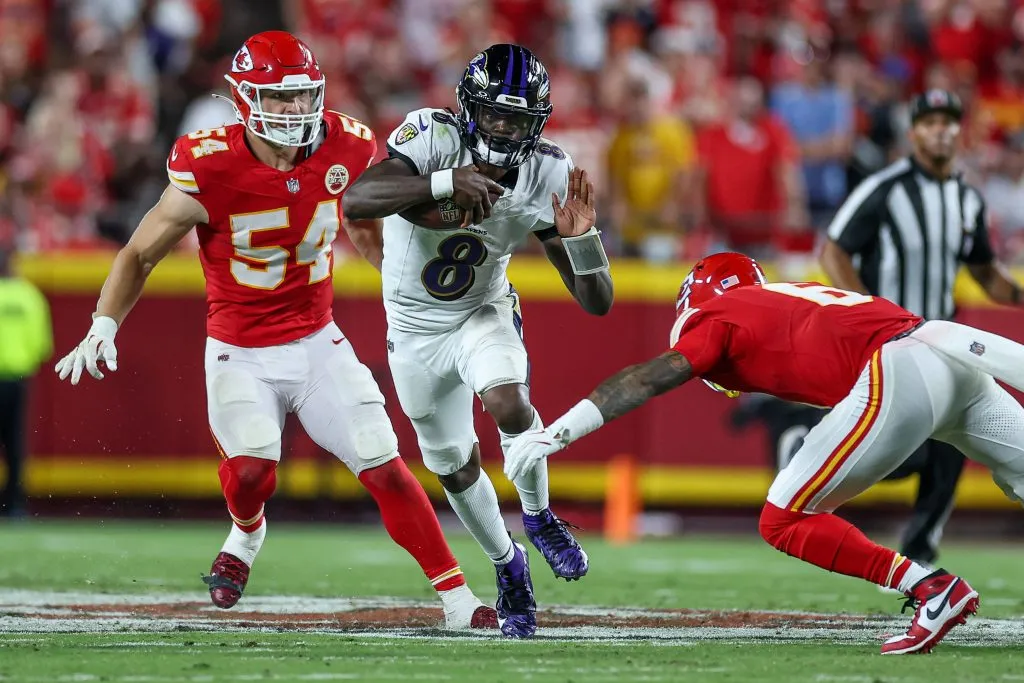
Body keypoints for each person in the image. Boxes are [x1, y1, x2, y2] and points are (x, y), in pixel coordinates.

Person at [52, 31, 496, 631]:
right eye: (277, 99)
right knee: (254, 471)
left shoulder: (345, 142)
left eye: (302, 97)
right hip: (239, 350)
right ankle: (247, 531)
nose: (294, 111)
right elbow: (140, 253)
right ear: (243, 99)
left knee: (383, 463)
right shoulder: (207, 163)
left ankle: (457, 599)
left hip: (317, 341)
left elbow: (363, 222)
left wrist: (404, 288)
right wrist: (104, 323)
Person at [505, 251, 1024, 655]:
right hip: (948, 352)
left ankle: (932, 587)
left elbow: (650, 376)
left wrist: (561, 431)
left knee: (784, 518)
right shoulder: (784, 297)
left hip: (898, 371)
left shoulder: (719, 313)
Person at [342, 44, 614, 638]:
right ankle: (507, 563)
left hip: (480, 312)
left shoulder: (547, 170)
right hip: (412, 333)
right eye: (494, 115)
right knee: (454, 464)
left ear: (536, 123)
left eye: (517, 119)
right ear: (470, 110)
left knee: (507, 400)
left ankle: (539, 518)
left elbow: (597, 302)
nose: (504, 128)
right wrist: (442, 181)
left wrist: (582, 240)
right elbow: (357, 198)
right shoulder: (431, 136)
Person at [820, 89, 1024, 567]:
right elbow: (833, 250)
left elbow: (985, 273)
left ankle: (921, 548)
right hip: (890, 343)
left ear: (960, 131)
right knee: (900, 450)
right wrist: (865, 311)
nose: (940, 130)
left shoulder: (967, 199)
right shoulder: (885, 187)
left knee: (956, 438)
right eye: (930, 122)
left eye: (949, 121)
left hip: (944, 342)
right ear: (913, 133)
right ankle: (813, 441)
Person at [0, 246, 53, 518]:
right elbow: (41, 344)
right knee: (14, 444)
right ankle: (16, 505)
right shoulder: (29, 296)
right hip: (18, 379)